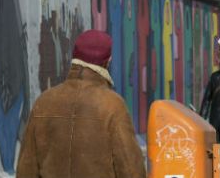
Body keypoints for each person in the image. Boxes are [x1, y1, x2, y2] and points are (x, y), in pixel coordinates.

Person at [16, 29, 145, 178]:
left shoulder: (43, 103)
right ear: (107, 61)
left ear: (74, 58)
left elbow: (26, 170)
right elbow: (131, 171)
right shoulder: (113, 106)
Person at [199, 37, 220, 142]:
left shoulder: (215, 77)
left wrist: (201, 118)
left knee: (216, 145)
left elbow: (207, 100)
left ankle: (217, 158)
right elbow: (207, 99)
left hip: (215, 118)